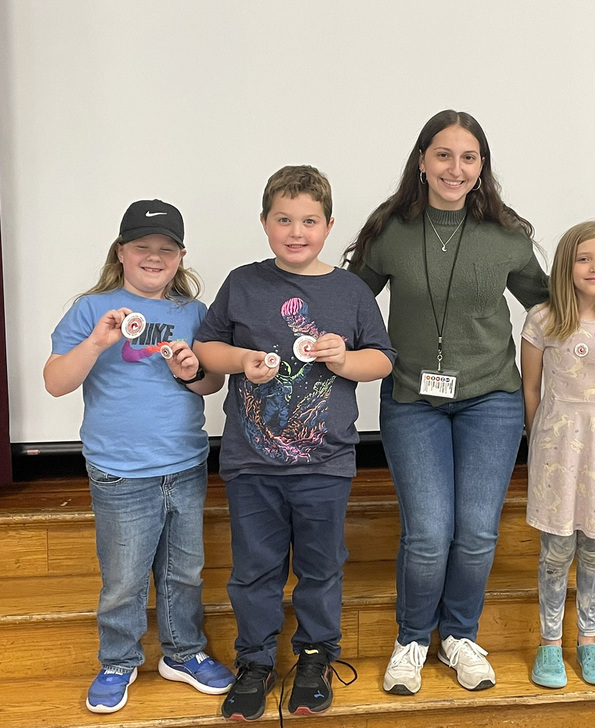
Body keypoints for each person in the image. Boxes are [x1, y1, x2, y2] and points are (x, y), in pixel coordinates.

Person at [344, 109, 549, 694]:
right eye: (443, 155)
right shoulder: (390, 231)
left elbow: (549, 304)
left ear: (482, 167)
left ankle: (459, 635)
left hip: (492, 399)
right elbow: (348, 301)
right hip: (413, 399)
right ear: (422, 161)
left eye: (468, 157)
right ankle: (412, 638)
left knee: (477, 532)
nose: (455, 169)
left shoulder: (507, 234)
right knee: (430, 533)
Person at [193, 165, 394, 721]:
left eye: (309, 221)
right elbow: (207, 348)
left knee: (320, 567)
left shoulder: (350, 290)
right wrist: (242, 360)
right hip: (251, 463)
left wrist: (343, 359)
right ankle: (255, 663)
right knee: (253, 570)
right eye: (284, 220)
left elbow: (382, 359)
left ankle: (315, 656)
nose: (296, 231)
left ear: (329, 225)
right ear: (264, 222)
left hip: (325, 464)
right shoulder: (242, 282)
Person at [44, 199, 234, 714]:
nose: (154, 257)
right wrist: (96, 343)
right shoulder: (91, 309)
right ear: (121, 252)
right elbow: (56, 382)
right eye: (142, 247)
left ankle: (183, 653)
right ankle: (118, 660)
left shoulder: (194, 313)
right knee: (124, 578)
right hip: (120, 471)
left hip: (185, 464)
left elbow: (211, 384)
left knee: (184, 572)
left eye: (166, 249)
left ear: (181, 256)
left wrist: (191, 372)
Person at [520, 221, 595, 689]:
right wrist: (537, 441)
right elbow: (531, 389)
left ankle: (589, 639)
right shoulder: (542, 320)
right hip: (558, 447)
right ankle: (550, 643)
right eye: (584, 258)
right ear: (565, 266)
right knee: (556, 549)